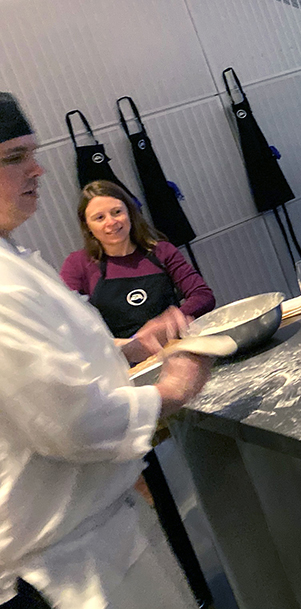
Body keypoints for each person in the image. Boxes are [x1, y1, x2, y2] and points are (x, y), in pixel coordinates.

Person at [0, 92, 211, 608]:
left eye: (33, 152)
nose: (39, 168)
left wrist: (133, 348)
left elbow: (64, 369)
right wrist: (172, 388)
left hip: (98, 534)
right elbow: (70, 423)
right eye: (13, 158)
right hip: (60, 570)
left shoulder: (18, 260)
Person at [60, 180, 215, 348]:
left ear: (130, 214)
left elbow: (203, 295)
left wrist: (168, 322)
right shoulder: (78, 264)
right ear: (87, 226)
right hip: (123, 361)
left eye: (117, 212)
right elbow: (66, 320)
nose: (111, 222)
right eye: (99, 218)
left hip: (177, 347)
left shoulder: (161, 251)